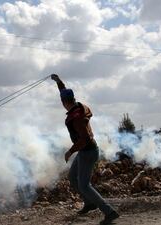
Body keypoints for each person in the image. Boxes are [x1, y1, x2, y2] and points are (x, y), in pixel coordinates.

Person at [51, 74, 119, 225]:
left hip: (88, 152)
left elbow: (85, 139)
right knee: (72, 178)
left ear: (64, 103)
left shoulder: (77, 118)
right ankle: (89, 203)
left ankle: (109, 211)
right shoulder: (80, 106)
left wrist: (70, 151)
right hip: (85, 152)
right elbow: (64, 92)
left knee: (84, 185)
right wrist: (58, 82)